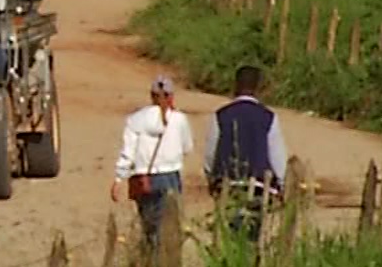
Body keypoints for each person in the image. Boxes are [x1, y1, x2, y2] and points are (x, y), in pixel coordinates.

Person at [204, 65, 290, 241]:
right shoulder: (268, 117)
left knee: (228, 231)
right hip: (258, 187)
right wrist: (281, 184)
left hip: (229, 185)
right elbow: (277, 156)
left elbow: (210, 154)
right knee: (253, 231)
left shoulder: (221, 115)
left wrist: (212, 178)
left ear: (235, 85)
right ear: (258, 87)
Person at [110, 74, 194, 252]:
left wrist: (119, 179)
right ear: (171, 96)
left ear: (151, 95)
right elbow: (187, 148)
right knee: (170, 228)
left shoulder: (135, 119)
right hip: (170, 177)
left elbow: (128, 152)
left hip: (144, 179)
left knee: (149, 229)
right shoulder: (179, 119)